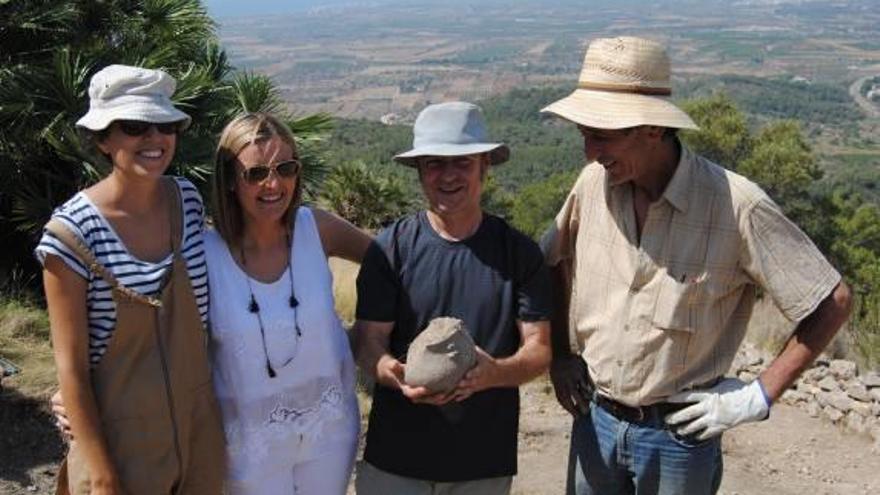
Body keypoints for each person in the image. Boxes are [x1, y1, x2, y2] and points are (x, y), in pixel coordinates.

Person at [540, 36, 853, 495]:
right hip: (596, 418)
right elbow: (551, 261)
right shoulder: (592, 185)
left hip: (679, 435)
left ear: (651, 129)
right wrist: (561, 355)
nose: (589, 151)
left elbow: (832, 300)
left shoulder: (736, 205)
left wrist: (758, 395)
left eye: (601, 135)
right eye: (585, 134)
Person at [36, 65, 226, 494]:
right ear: (103, 139)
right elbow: (71, 367)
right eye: (135, 126)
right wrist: (103, 477)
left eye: (165, 125)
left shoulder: (187, 201)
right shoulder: (70, 235)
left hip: (199, 441)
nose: (155, 139)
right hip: (118, 450)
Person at [353, 101, 552, 494]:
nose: (447, 176)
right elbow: (368, 342)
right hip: (395, 459)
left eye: (461, 163)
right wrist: (396, 374)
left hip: (482, 463)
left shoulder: (519, 254)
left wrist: (494, 373)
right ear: (420, 172)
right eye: (434, 164)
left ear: (485, 167)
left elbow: (539, 349)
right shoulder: (389, 250)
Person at [206, 112, 370, 494]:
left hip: (328, 431)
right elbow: (160, 330)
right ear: (230, 179)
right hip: (248, 445)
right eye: (256, 173)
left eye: (286, 167)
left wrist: (365, 337)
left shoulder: (318, 229)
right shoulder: (204, 254)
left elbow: (389, 266)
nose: (274, 183)